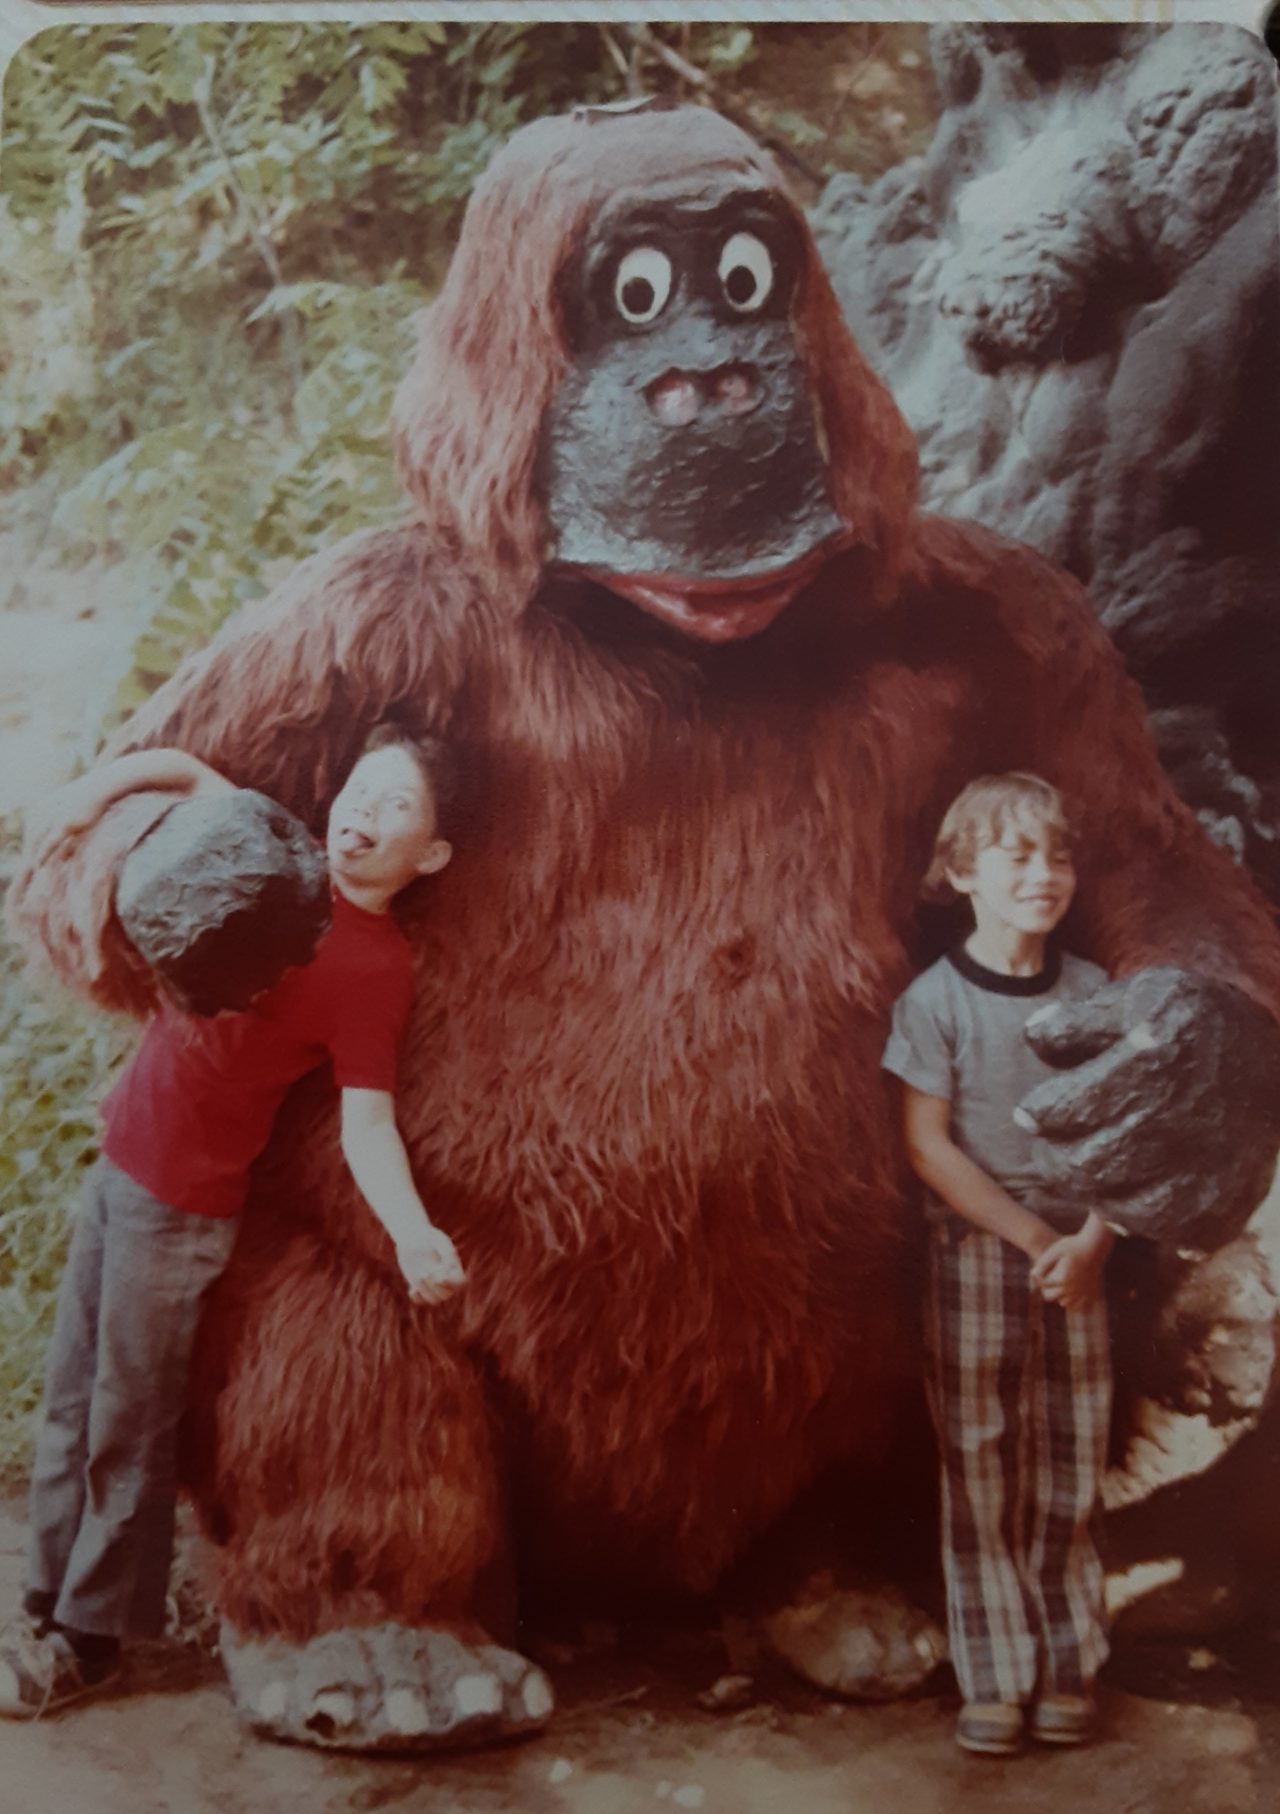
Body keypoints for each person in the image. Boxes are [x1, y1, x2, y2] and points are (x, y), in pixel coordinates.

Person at [1, 724, 465, 1718]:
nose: (363, 817)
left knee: (126, 1422)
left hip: (181, 1212)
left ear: (429, 854)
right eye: (361, 788)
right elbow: (188, 773)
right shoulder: (272, 852)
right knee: (71, 1401)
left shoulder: (374, 967)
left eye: (397, 809)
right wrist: (90, 793)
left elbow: (367, 1119)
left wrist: (411, 1229)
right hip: (120, 1162)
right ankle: (42, 1600)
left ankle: (89, 1639)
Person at [882, 772, 1115, 1758]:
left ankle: (1068, 1661)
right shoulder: (933, 1002)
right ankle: (994, 1671)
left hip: (1084, 1255)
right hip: (982, 1252)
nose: (1041, 874)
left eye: (1055, 855)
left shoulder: (1095, 992)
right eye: (1015, 855)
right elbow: (926, 1144)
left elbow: (1125, 1131)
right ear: (961, 871)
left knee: (1068, 1458)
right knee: (978, 1456)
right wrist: (1033, 1241)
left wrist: (1095, 1240)